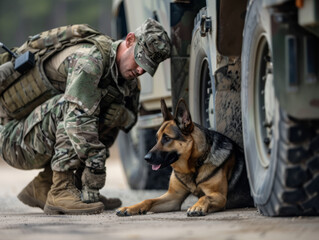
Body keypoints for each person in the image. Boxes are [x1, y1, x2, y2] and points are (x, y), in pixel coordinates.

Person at [0, 18, 171, 215]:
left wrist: (121, 116)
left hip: (34, 135)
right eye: (139, 60)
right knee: (74, 109)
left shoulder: (125, 80)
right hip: (13, 139)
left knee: (107, 110)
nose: (140, 70)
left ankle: (60, 188)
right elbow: (76, 119)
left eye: (147, 67)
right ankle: (60, 190)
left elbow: (130, 119)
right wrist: (95, 164)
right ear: (130, 40)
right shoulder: (90, 60)